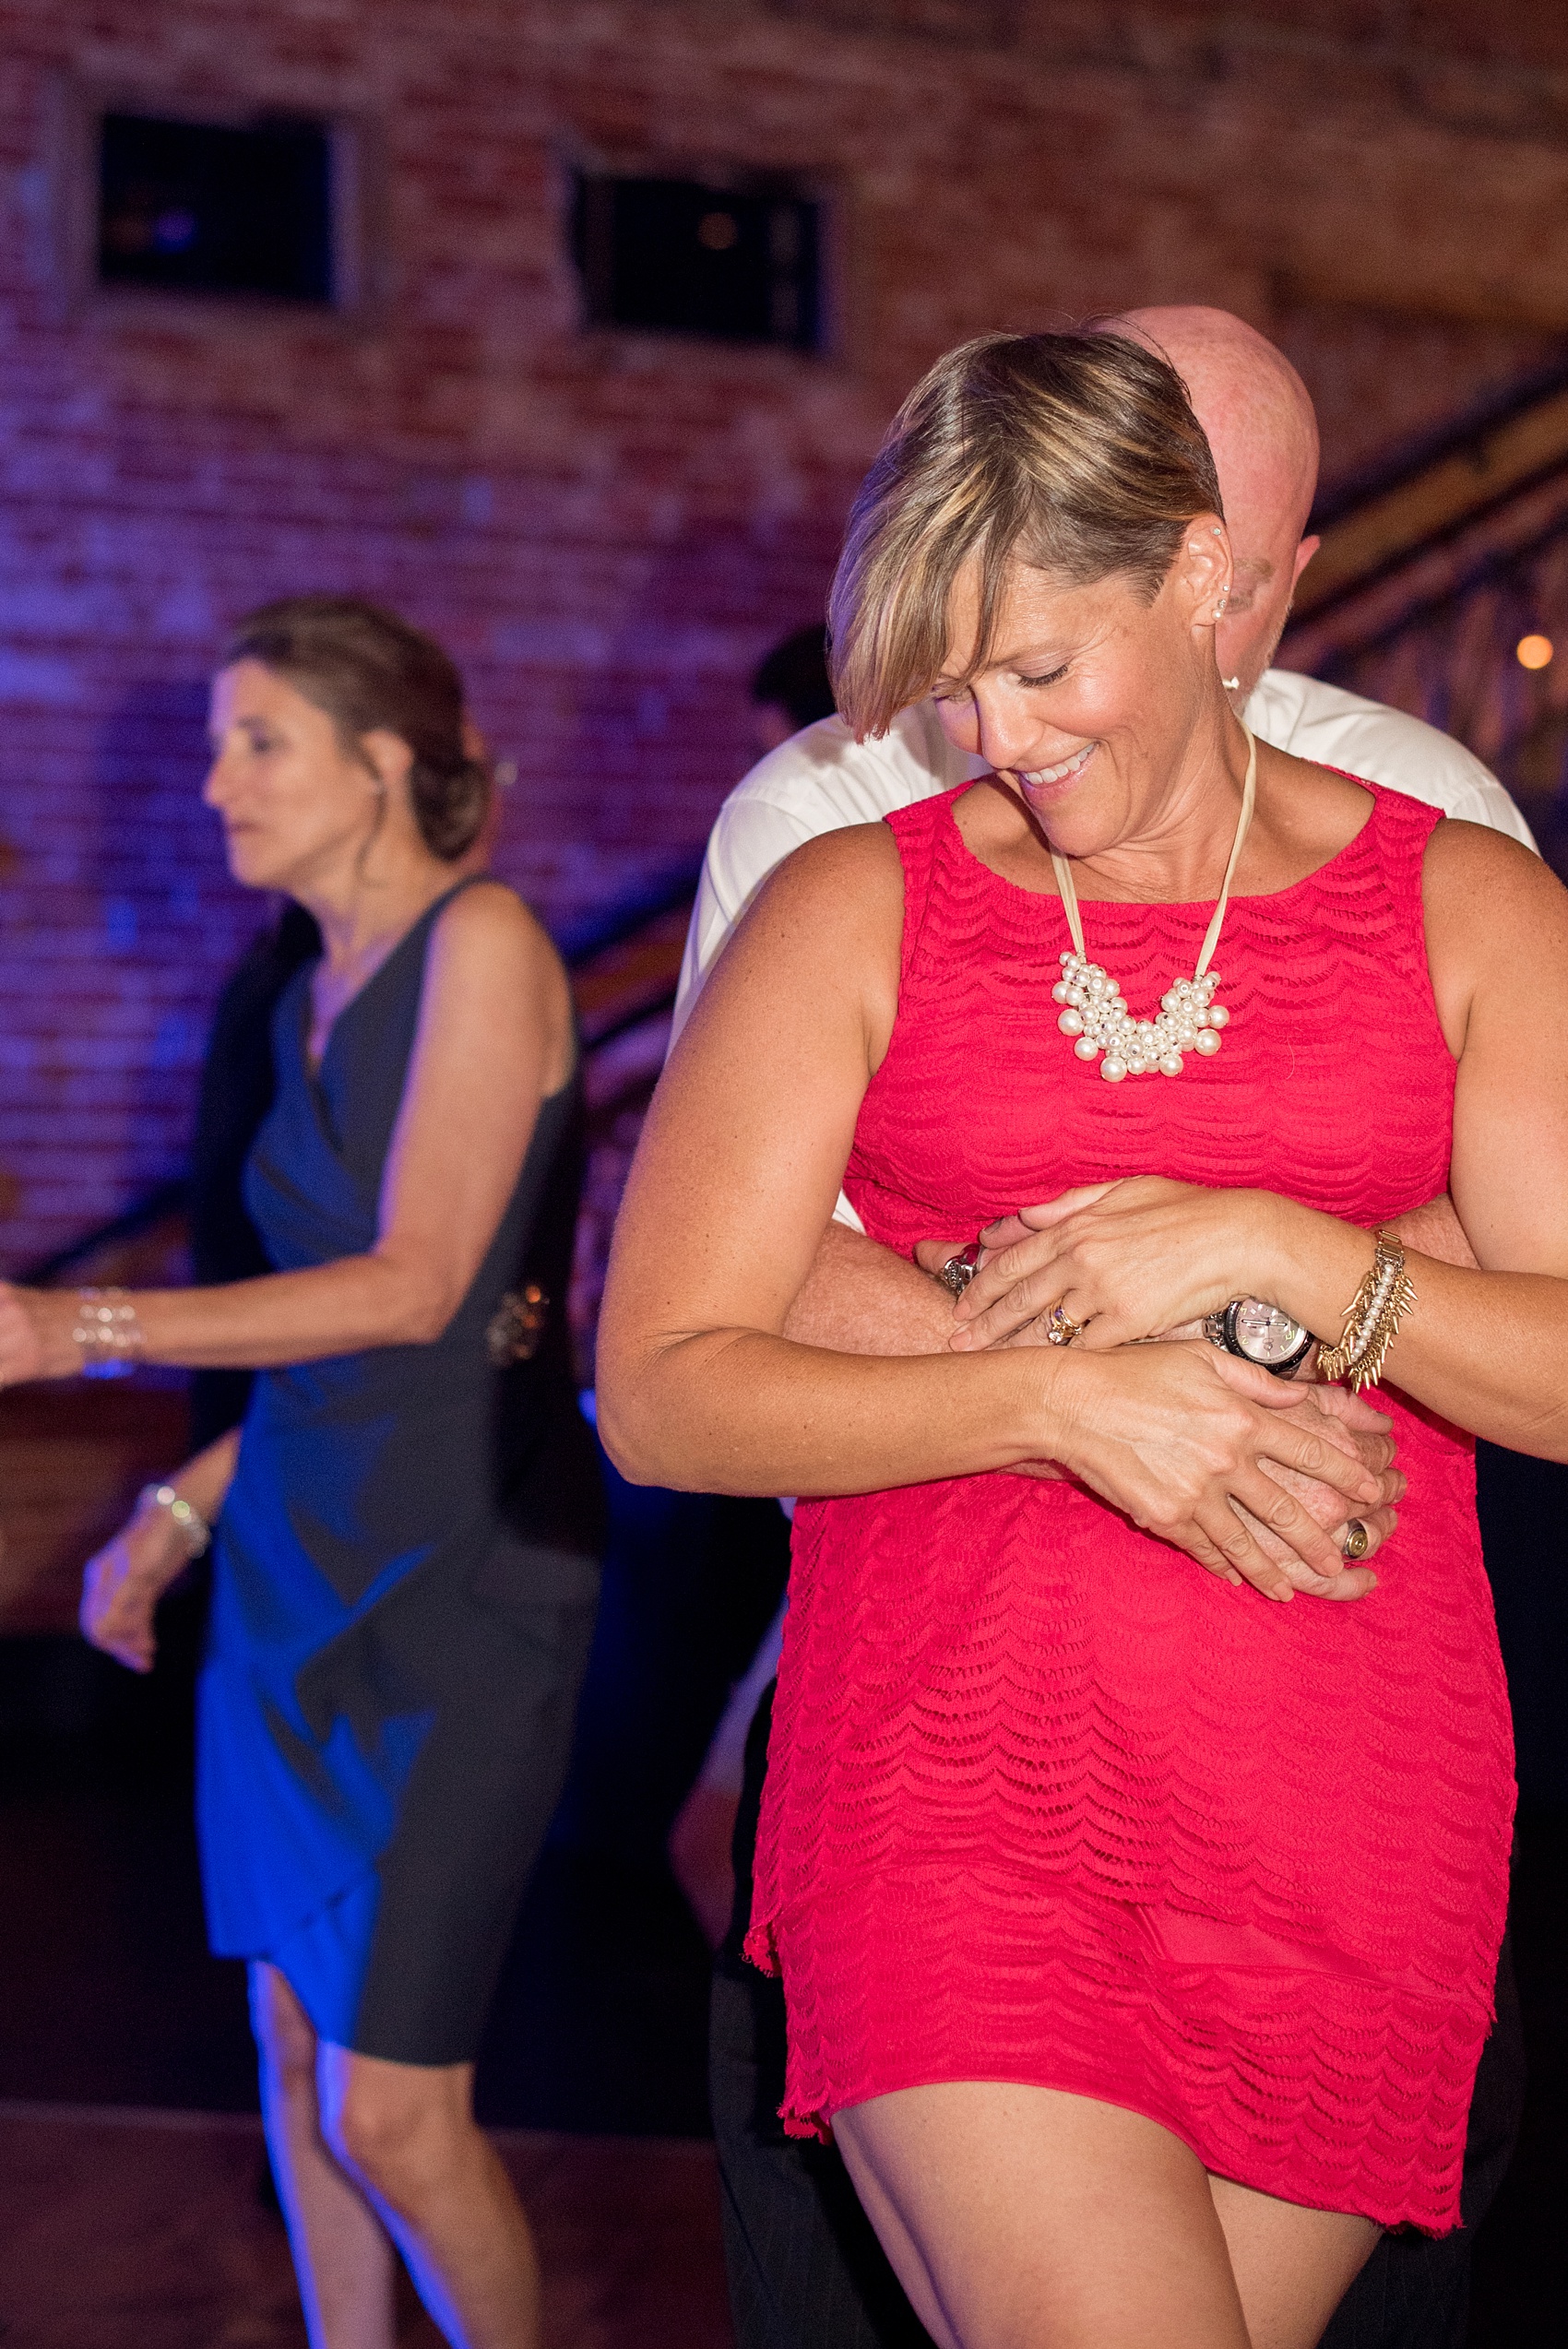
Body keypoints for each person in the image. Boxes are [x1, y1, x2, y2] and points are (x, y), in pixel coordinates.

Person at [599, 326, 1567, 2347]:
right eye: (949, 680)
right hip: (959, 1769)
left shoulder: (1465, 896)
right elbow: (665, 1382)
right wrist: (1062, 1402)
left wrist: (1294, 1254)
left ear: (1209, 575)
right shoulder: (845, 904)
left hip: (1347, 1805)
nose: (993, 731)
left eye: (1039, 667)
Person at [0, 596, 605, 2349]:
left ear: (384, 762)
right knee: (292, 2051)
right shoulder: (290, 998)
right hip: (290, 1578)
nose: (214, 786)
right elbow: (320, 1349)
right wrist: (185, 1505)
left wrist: (71, 1330)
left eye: (256, 742)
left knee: (399, 2111)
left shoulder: (485, 946)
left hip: (472, 1581)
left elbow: (417, 1288)